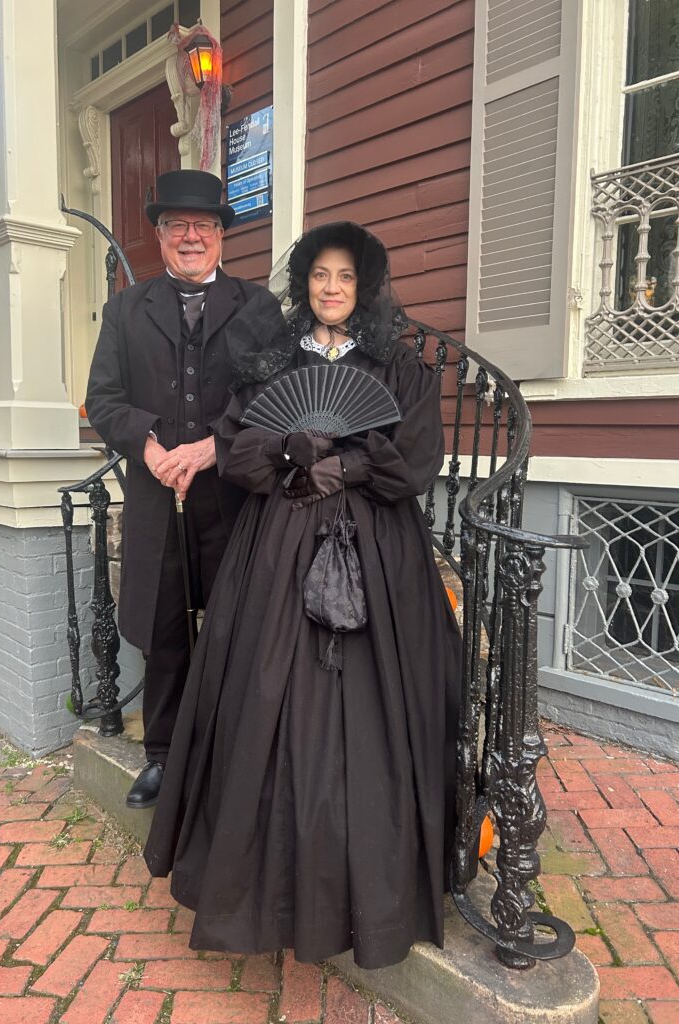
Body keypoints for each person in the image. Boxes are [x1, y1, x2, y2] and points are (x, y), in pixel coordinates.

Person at [143, 221, 461, 969]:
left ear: (365, 286)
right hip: (277, 547)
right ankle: (263, 892)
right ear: (304, 283)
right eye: (319, 275)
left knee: (374, 709)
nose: (331, 289)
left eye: (345, 277)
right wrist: (291, 451)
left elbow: (414, 458)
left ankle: (372, 891)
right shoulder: (269, 362)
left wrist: (347, 469)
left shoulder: (397, 368)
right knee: (263, 693)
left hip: (376, 549)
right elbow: (237, 444)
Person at [85, 169, 281, 809]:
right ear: (161, 236)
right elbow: (104, 399)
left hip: (232, 494)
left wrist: (212, 447)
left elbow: (272, 396)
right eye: (176, 226)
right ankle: (164, 755)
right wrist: (148, 447)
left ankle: (231, 749)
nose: (190, 236)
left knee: (236, 621)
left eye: (202, 225)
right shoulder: (124, 309)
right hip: (156, 495)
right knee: (166, 625)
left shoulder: (258, 307)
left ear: (222, 234)